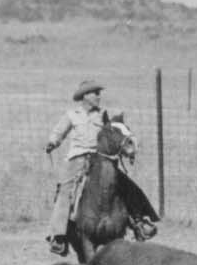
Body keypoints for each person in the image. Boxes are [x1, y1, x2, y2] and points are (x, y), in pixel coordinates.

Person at [43, 81, 138, 254]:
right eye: (95, 93)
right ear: (85, 96)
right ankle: (58, 236)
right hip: (77, 158)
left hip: (99, 157)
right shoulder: (72, 115)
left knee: (124, 184)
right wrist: (52, 142)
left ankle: (139, 222)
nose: (98, 96)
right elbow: (59, 132)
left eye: (98, 93)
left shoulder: (103, 115)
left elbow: (114, 134)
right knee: (65, 190)